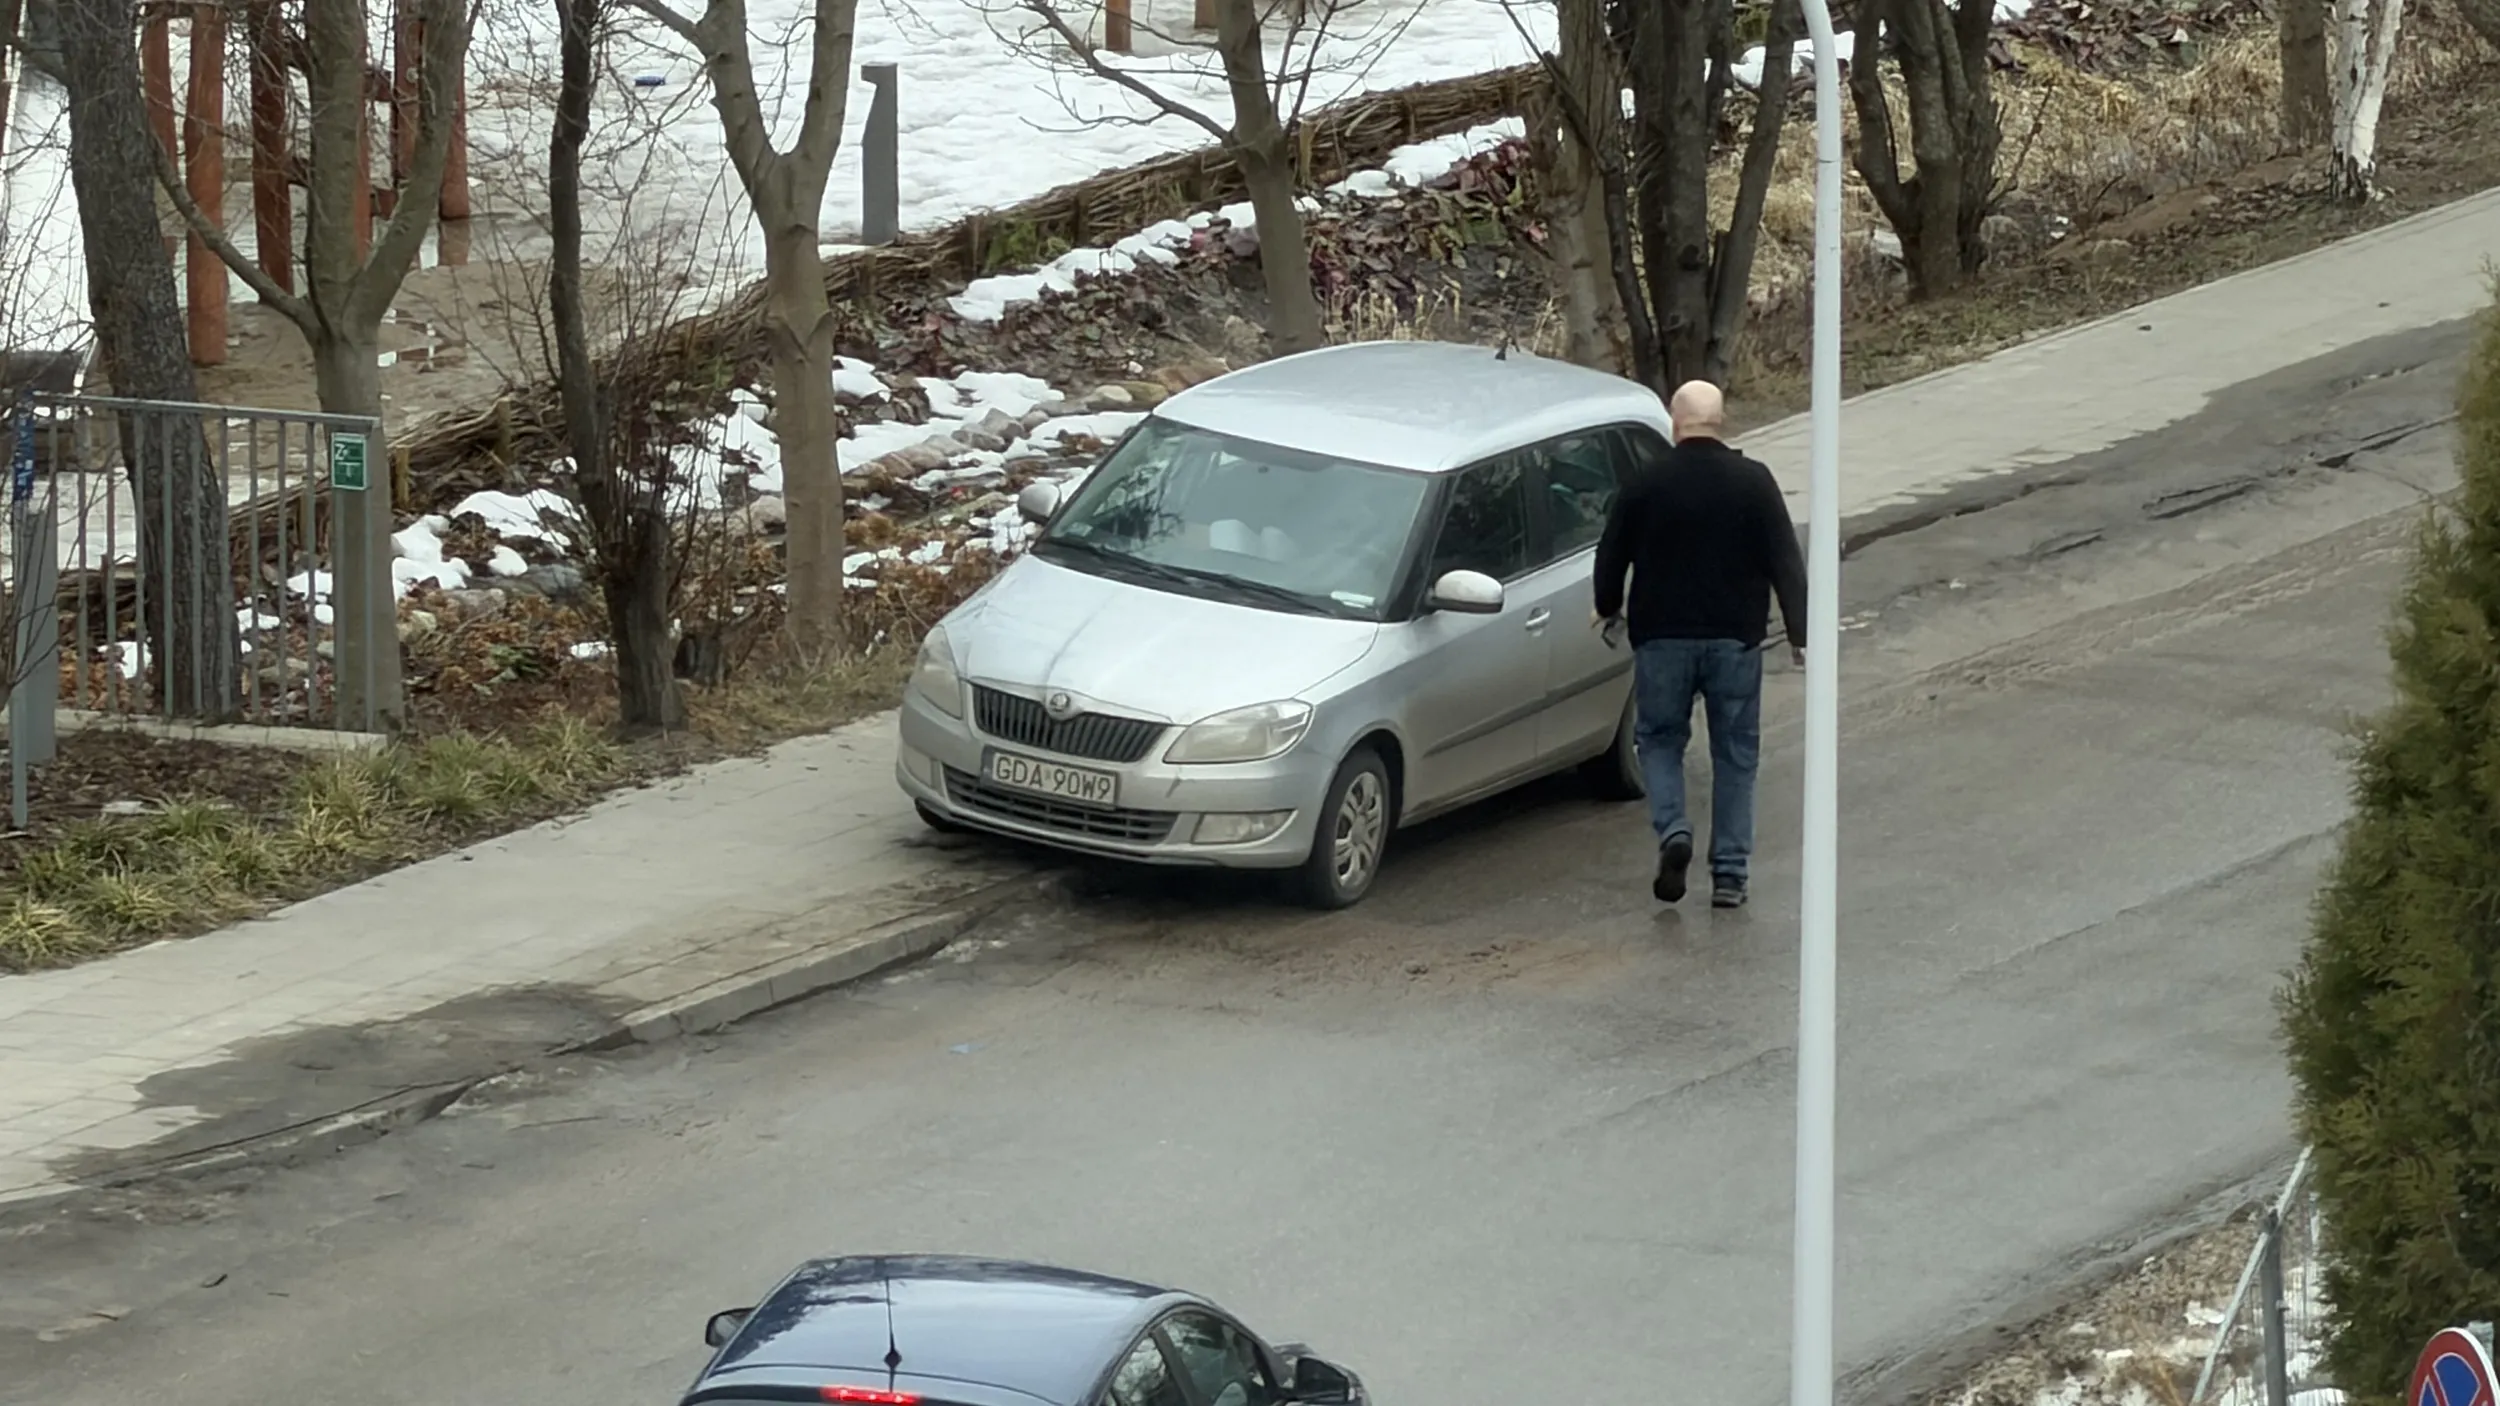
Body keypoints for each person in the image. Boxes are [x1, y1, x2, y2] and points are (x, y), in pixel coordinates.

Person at [1592, 379, 1807, 909]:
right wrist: (1801, 634)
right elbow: (1786, 561)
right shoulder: (1754, 482)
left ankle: (1674, 832)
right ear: (1722, 420)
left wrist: (1607, 608)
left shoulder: (1646, 483)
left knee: (1660, 742)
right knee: (1736, 755)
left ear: (1674, 421)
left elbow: (1610, 554)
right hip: (1735, 641)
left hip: (1662, 640)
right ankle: (1730, 875)